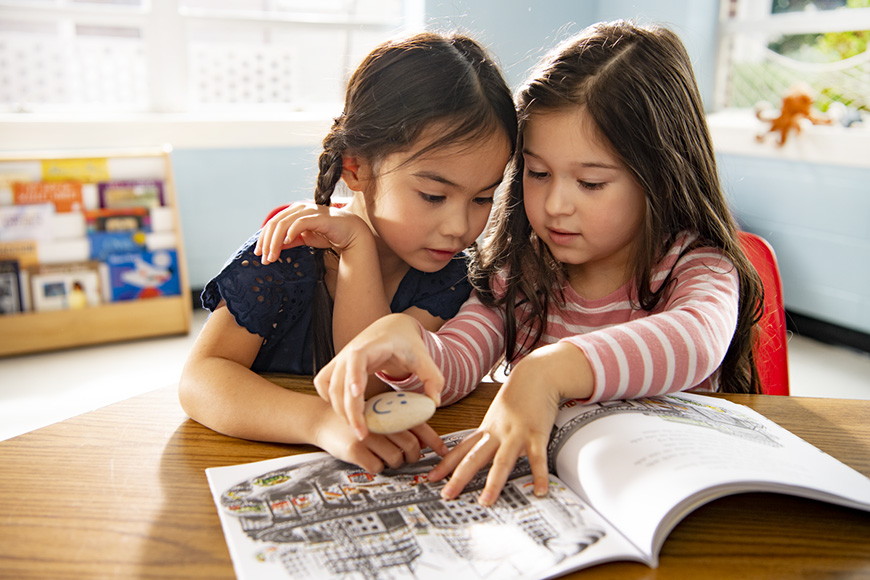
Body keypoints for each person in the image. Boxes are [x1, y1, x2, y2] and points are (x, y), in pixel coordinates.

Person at [313, 20, 764, 505]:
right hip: (555, 498)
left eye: (590, 183)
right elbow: (457, 364)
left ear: (661, 177)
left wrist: (546, 371)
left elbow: (695, 340)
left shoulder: (695, 267)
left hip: (677, 493)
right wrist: (408, 342)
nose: (554, 206)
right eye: (538, 172)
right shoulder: (520, 273)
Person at [179, 31, 517, 475]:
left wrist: (358, 252)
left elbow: (372, 382)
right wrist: (319, 421)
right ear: (356, 168)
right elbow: (200, 380)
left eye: (482, 198)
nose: (461, 228)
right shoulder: (290, 255)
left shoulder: (448, 273)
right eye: (434, 196)